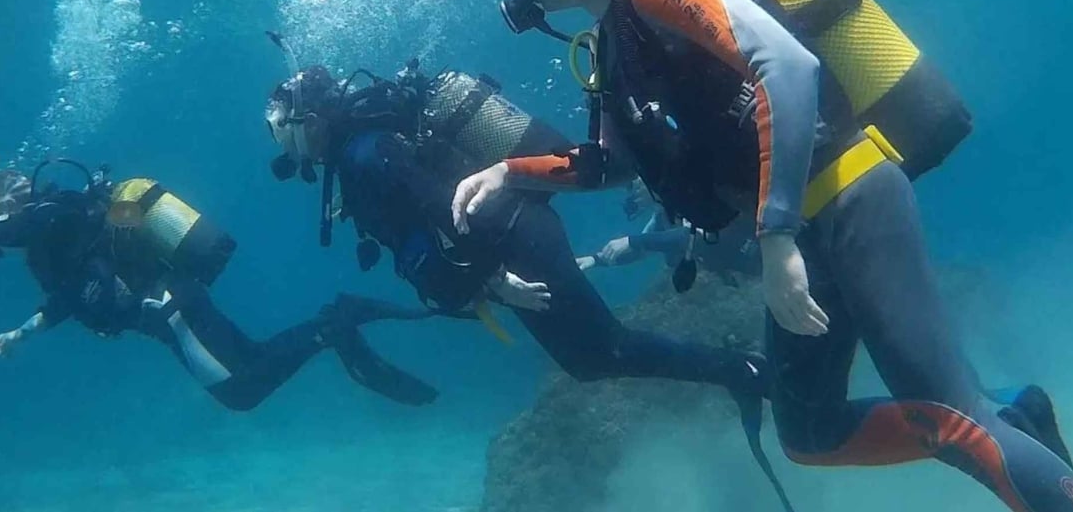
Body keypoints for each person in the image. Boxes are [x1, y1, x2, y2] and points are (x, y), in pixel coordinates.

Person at [452, 0, 1073, 512]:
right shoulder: (614, 38)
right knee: (810, 431)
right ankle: (1017, 413)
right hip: (801, 227)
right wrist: (509, 172)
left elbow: (787, 66)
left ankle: (998, 426)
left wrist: (777, 233)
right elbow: (612, 162)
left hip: (845, 196)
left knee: (957, 424)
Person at [262, 60, 775, 446]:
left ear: (307, 119)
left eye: (279, 127)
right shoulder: (359, 153)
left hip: (513, 242)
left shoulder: (363, 153)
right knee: (591, 358)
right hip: (510, 237)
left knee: (603, 350)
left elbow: (441, 204)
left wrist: (492, 278)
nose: (279, 142)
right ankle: (737, 371)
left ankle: (743, 372)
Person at [0, 158, 436, 412]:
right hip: (173, 306)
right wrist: (21, 333)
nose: (18, 197)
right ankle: (333, 323)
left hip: (170, 310)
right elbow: (66, 299)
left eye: (5, 200)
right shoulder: (56, 242)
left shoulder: (56, 211)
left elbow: (15, 229)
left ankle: (334, 325)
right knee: (253, 363)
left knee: (240, 392)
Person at [579, 179, 761, 281]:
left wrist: (631, 240)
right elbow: (641, 251)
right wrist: (596, 260)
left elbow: (689, 238)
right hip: (763, 270)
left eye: (635, 185)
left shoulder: (690, 193)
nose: (634, 195)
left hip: (771, 249)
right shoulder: (664, 217)